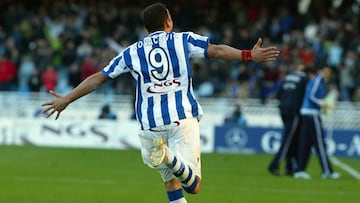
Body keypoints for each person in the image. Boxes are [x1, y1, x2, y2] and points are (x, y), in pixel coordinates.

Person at [42, 2, 280, 202]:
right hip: (181, 118)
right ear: (168, 21)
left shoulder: (131, 52)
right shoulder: (182, 39)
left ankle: (166, 156)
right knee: (193, 185)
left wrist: (67, 99)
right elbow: (216, 50)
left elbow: (98, 78)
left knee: (171, 182)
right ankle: (167, 155)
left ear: (147, 27)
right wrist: (248, 55)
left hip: (150, 125)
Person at [293, 66, 340, 179]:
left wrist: (325, 104)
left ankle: (300, 170)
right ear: (320, 71)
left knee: (306, 143)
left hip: (307, 113)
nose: (327, 74)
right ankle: (327, 171)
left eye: (328, 72)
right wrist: (322, 103)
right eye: (325, 72)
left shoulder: (320, 82)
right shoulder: (317, 80)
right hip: (311, 114)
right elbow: (311, 96)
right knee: (320, 142)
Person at [267, 63, 308, 176]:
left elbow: (279, 94)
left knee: (293, 137)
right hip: (293, 110)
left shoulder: (288, 76)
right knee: (289, 139)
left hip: (283, 108)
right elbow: (306, 96)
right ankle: (274, 165)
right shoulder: (305, 79)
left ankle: (289, 166)